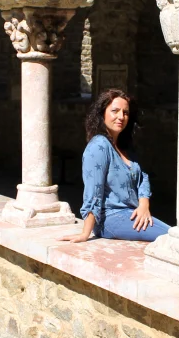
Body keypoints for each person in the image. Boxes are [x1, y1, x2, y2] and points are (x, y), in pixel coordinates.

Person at [61, 89, 170, 243]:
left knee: (174, 235)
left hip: (131, 213)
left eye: (125, 112)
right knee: (172, 238)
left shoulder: (124, 146)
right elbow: (94, 192)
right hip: (110, 218)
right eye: (115, 111)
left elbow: (143, 176)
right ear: (102, 113)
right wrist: (85, 233)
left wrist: (144, 204)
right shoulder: (99, 146)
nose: (121, 117)